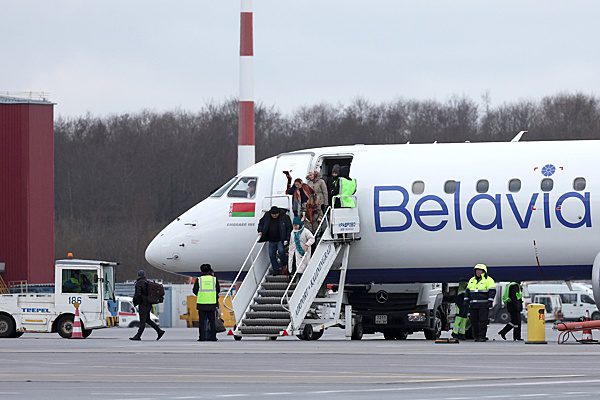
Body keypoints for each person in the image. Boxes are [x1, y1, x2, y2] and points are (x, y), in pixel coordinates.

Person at [464, 264, 496, 342]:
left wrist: (490, 300)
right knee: (473, 321)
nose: (478, 272)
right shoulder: (472, 280)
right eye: (477, 270)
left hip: (483, 305)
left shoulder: (489, 280)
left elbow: (492, 291)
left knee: (483, 321)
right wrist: (466, 300)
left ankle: (482, 337)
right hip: (473, 305)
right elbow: (467, 291)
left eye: (480, 270)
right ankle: (476, 336)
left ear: (484, 271)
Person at [130, 270, 165, 341]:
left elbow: (138, 294)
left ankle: (138, 335)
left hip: (143, 304)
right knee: (147, 320)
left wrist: (138, 302)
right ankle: (159, 331)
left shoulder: (139, 283)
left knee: (142, 321)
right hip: (148, 304)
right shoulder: (147, 282)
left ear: (138, 275)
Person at [258, 206, 293, 275]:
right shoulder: (267, 216)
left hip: (280, 239)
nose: (274, 216)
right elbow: (261, 223)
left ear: (278, 213)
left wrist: (288, 239)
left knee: (281, 251)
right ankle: (276, 269)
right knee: (271, 255)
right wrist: (260, 230)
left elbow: (289, 228)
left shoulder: (284, 217)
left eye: (276, 214)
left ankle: (285, 263)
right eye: (273, 214)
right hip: (271, 240)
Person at [193, 264, 220, 341]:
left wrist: (201, 295)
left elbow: (195, 290)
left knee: (202, 322)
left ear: (201, 271)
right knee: (212, 321)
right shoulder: (214, 279)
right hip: (212, 303)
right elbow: (218, 290)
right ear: (210, 270)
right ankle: (213, 337)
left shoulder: (199, 279)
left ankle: (202, 337)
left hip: (201, 303)